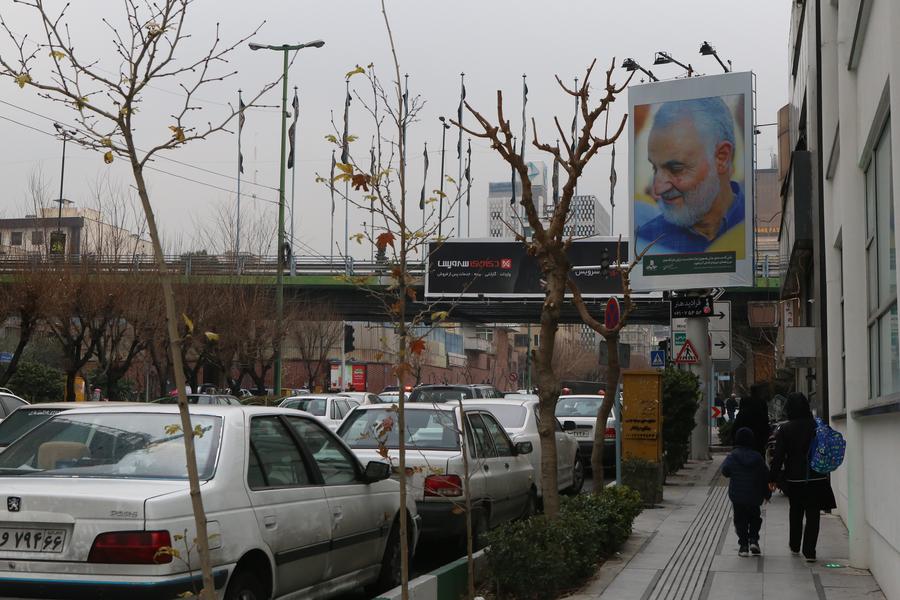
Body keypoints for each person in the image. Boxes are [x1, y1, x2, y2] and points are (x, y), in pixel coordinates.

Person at [636, 96, 745, 255]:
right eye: (655, 168)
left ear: (722, 157)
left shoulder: (750, 224)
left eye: (676, 169)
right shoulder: (645, 242)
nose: (658, 188)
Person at [768, 392, 837, 562]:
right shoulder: (816, 425)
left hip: (795, 478)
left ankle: (795, 544)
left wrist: (772, 478)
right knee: (813, 513)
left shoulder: (786, 429)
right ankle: (810, 551)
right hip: (817, 475)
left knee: (796, 511)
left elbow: (779, 456)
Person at [722, 427, 771, 557]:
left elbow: (725, 471)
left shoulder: (733, 456)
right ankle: (754, 540)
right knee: (755, 518)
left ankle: (743, 546)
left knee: (740, 520)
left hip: (737, 495)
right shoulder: (757, 457)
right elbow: (765, 476)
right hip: (754, 495)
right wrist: (767, 493)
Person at [732, 385, 770, 456]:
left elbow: (739, 417)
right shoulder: (762, 402)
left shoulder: (745, 401)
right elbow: (765, 419)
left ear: (750, 391)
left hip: (745, 433)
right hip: (759, 435)